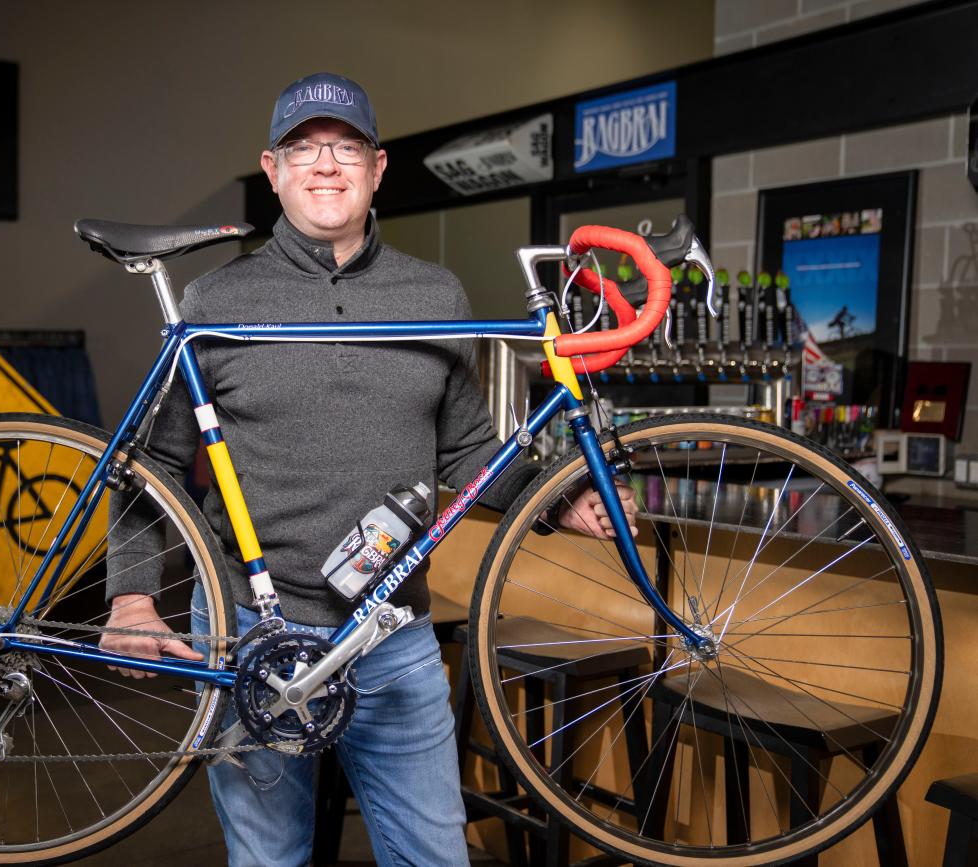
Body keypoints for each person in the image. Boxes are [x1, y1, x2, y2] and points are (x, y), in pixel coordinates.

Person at [100, 72, 636, 866]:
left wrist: (562, 500)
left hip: (394, 636)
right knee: (268, 858)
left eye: (345, 147)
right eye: (303, 148)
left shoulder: (437, 294)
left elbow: (468, 449)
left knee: (433, 856)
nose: (325, 164)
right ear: (273, 168)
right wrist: (135, 597)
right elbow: (158, 465)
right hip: (253, 628)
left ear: (377, 168)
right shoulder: (216, 300)